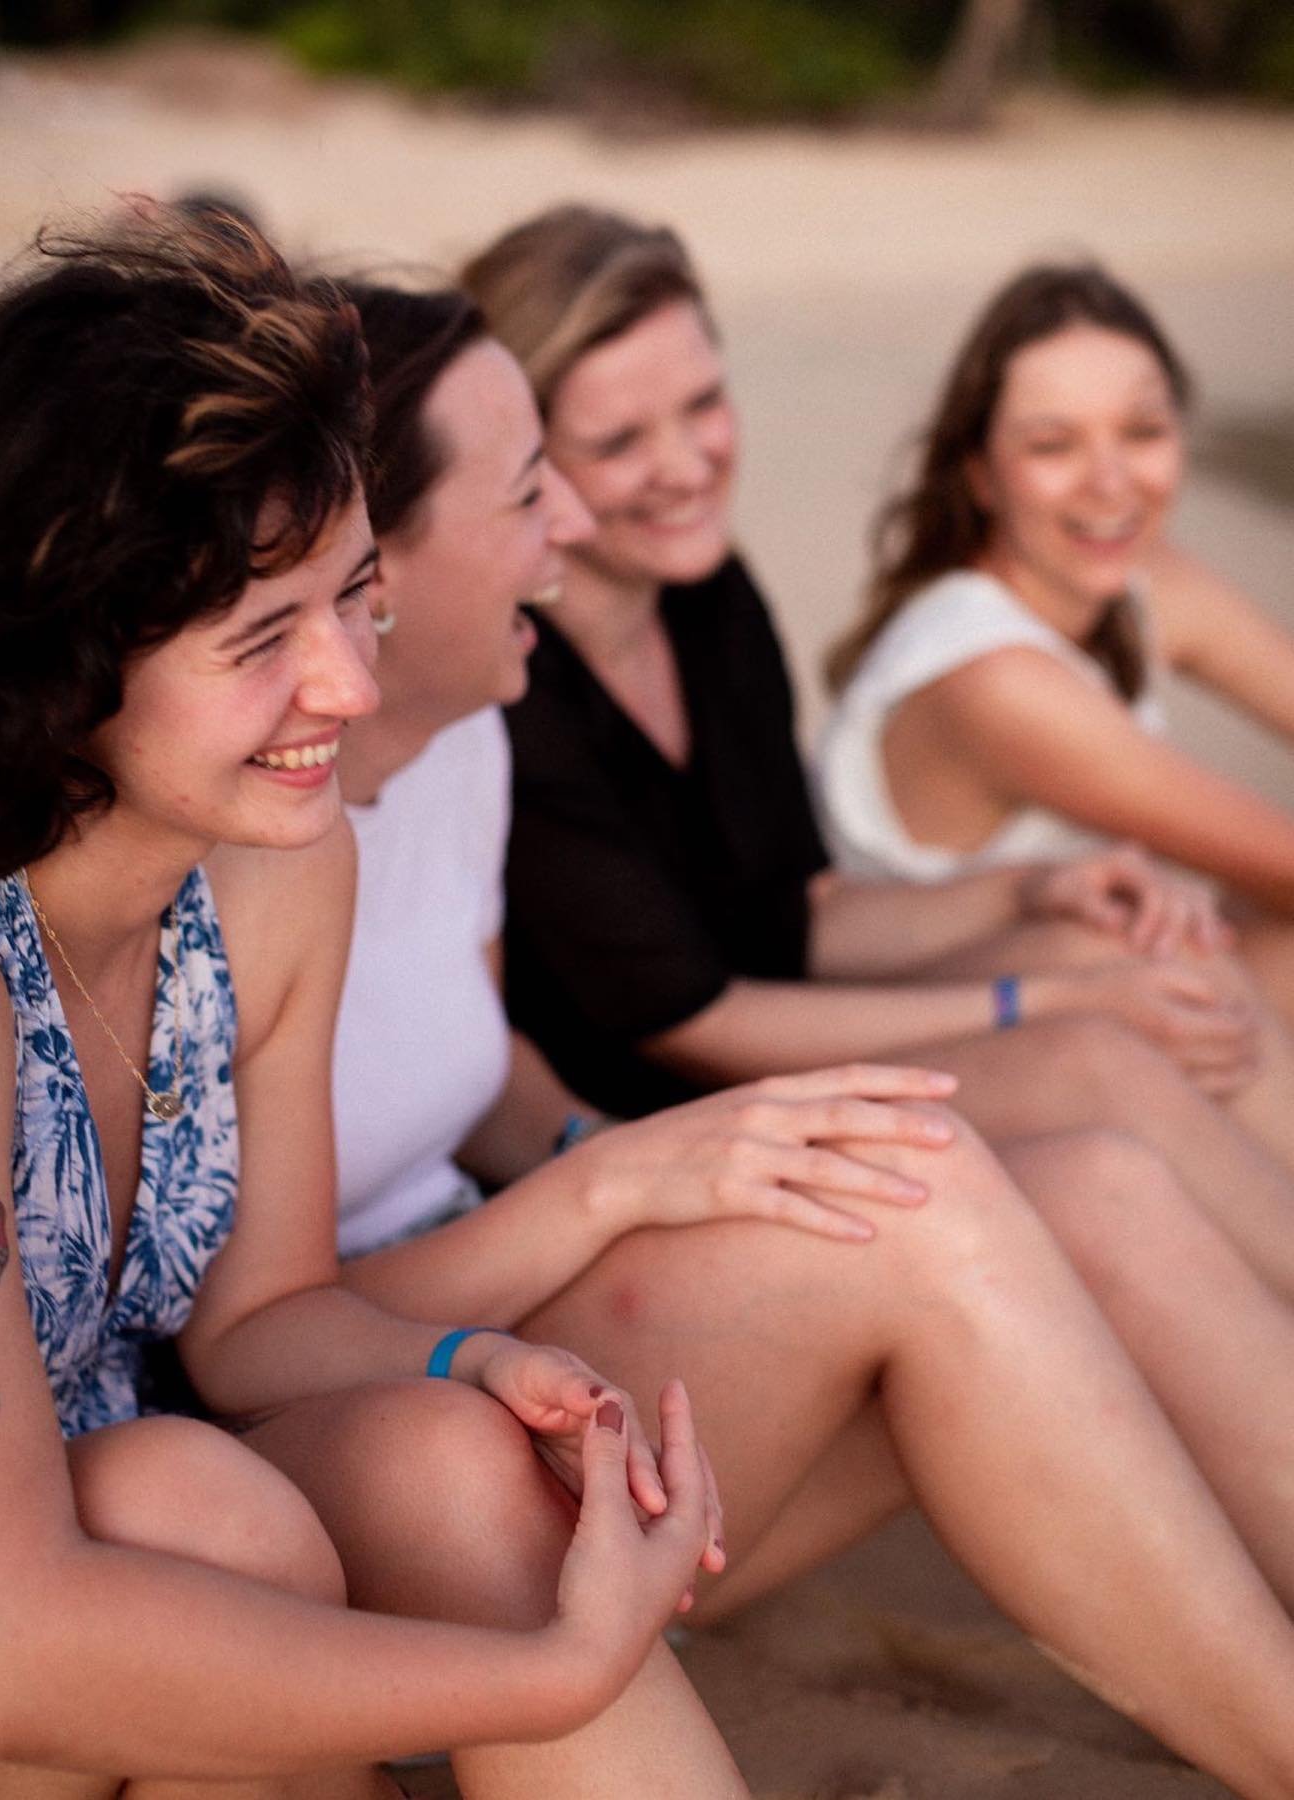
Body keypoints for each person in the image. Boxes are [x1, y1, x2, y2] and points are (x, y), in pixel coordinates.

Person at [323, 271, 1294, 1797]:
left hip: (529, 1250)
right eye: (544, 484)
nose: (576, 524)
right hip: (391, 1403)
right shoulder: (281, 823)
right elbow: (241, 1326)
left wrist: (605, 1150)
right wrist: (626, 1172)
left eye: (703, 405)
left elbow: (506, 1064)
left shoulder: (462, 738)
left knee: (1075, 1175)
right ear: (371, 554)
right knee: (947, 1177)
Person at [0, 208, 743, 1800]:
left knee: (440, 1457)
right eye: (264, 637)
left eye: (353, 596)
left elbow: (259, 1323)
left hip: (88, 1536)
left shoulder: (273, 871)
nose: (347, 681)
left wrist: (472, 1360)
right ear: (63, 656)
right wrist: (552, 1672)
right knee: (192, 1514)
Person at [461, 203, 1294, 1289]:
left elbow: (806, 912)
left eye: (704, 405)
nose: (685, 465)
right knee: (1097, 1046)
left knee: (1149, 961)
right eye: (619, 441)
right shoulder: (511, 688)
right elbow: (692, 1023)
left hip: (786, 1029)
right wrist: (1033, 1005)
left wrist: (1036, 891)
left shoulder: (708, 597)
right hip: (661, 1127)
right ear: (528, 463)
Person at [820, 261, 1294, 1013]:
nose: (1111, 481)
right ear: (980, 476)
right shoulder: (994, 677)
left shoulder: (1142, 580)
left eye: (1142, 431)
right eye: (1053, 445)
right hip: (966, 1057)